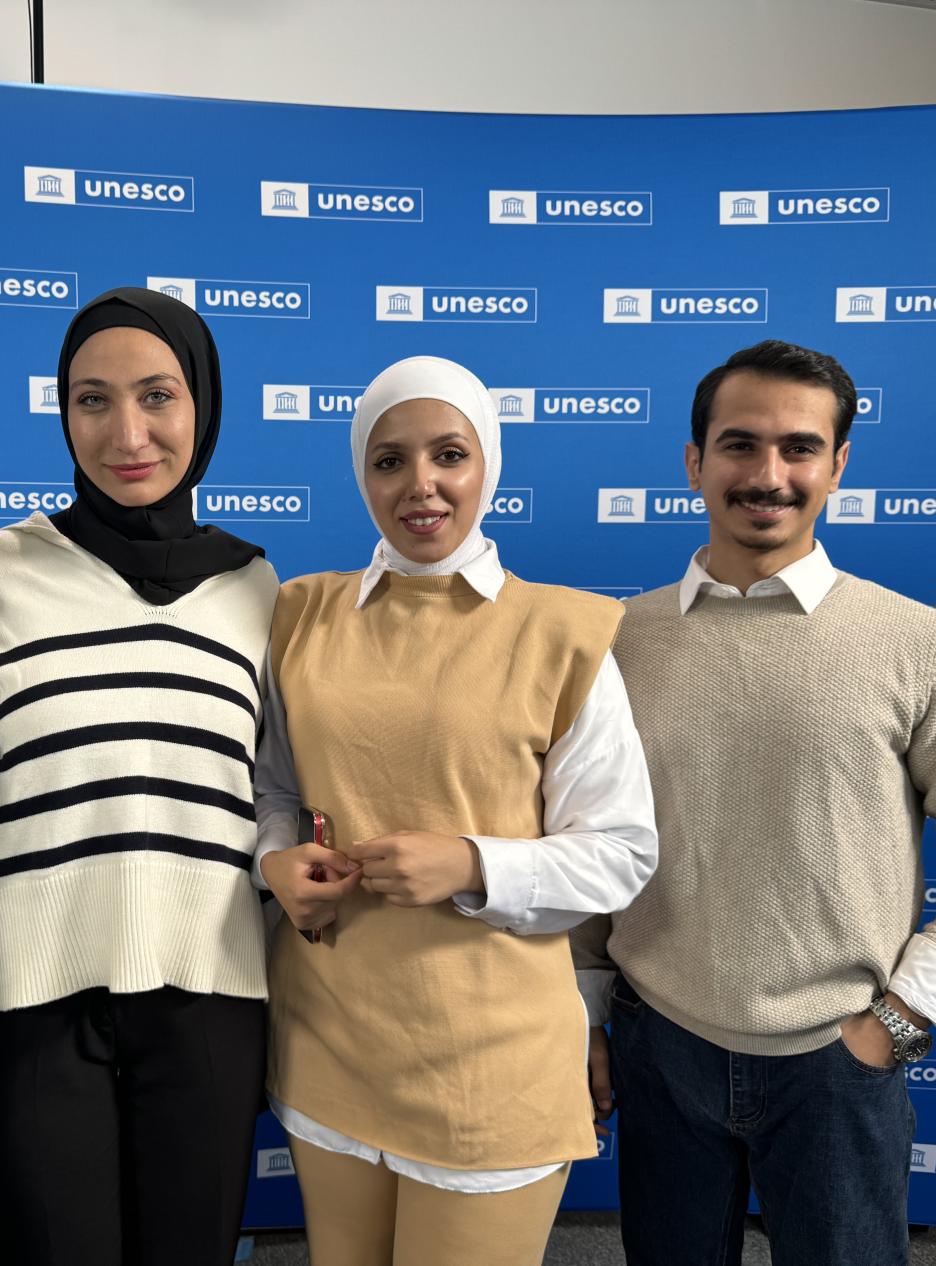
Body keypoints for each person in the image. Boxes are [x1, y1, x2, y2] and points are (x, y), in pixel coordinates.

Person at [574, 339, 936, 1266]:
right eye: (738, 445)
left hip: (839, 1066)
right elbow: (586, 846)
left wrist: (896, 1026)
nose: (768, 474)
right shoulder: (610, 644)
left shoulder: (922, 647)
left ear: (838, 466)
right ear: (693, 461)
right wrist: (589, 1015)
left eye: (799, 448)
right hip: (658, 1044)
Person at [254, 355, 658, 1266]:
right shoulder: (300, 616)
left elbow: (623, 851)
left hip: (490, 1061)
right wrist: (273, 858)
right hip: (329, 1034)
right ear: (363, 474)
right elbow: (275, 786)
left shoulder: (563, 632)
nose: (421, 485)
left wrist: (476, 865)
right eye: (390, 461)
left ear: (490, 468)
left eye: (450, 455)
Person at [0, 287, 277, 1266]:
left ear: (202, 405)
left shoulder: (259, 590)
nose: (127, 431)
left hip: (211, 996)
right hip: (32, 1000)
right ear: (61, 410)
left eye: (157, 396)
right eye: (92, 400)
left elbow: (272, 800)